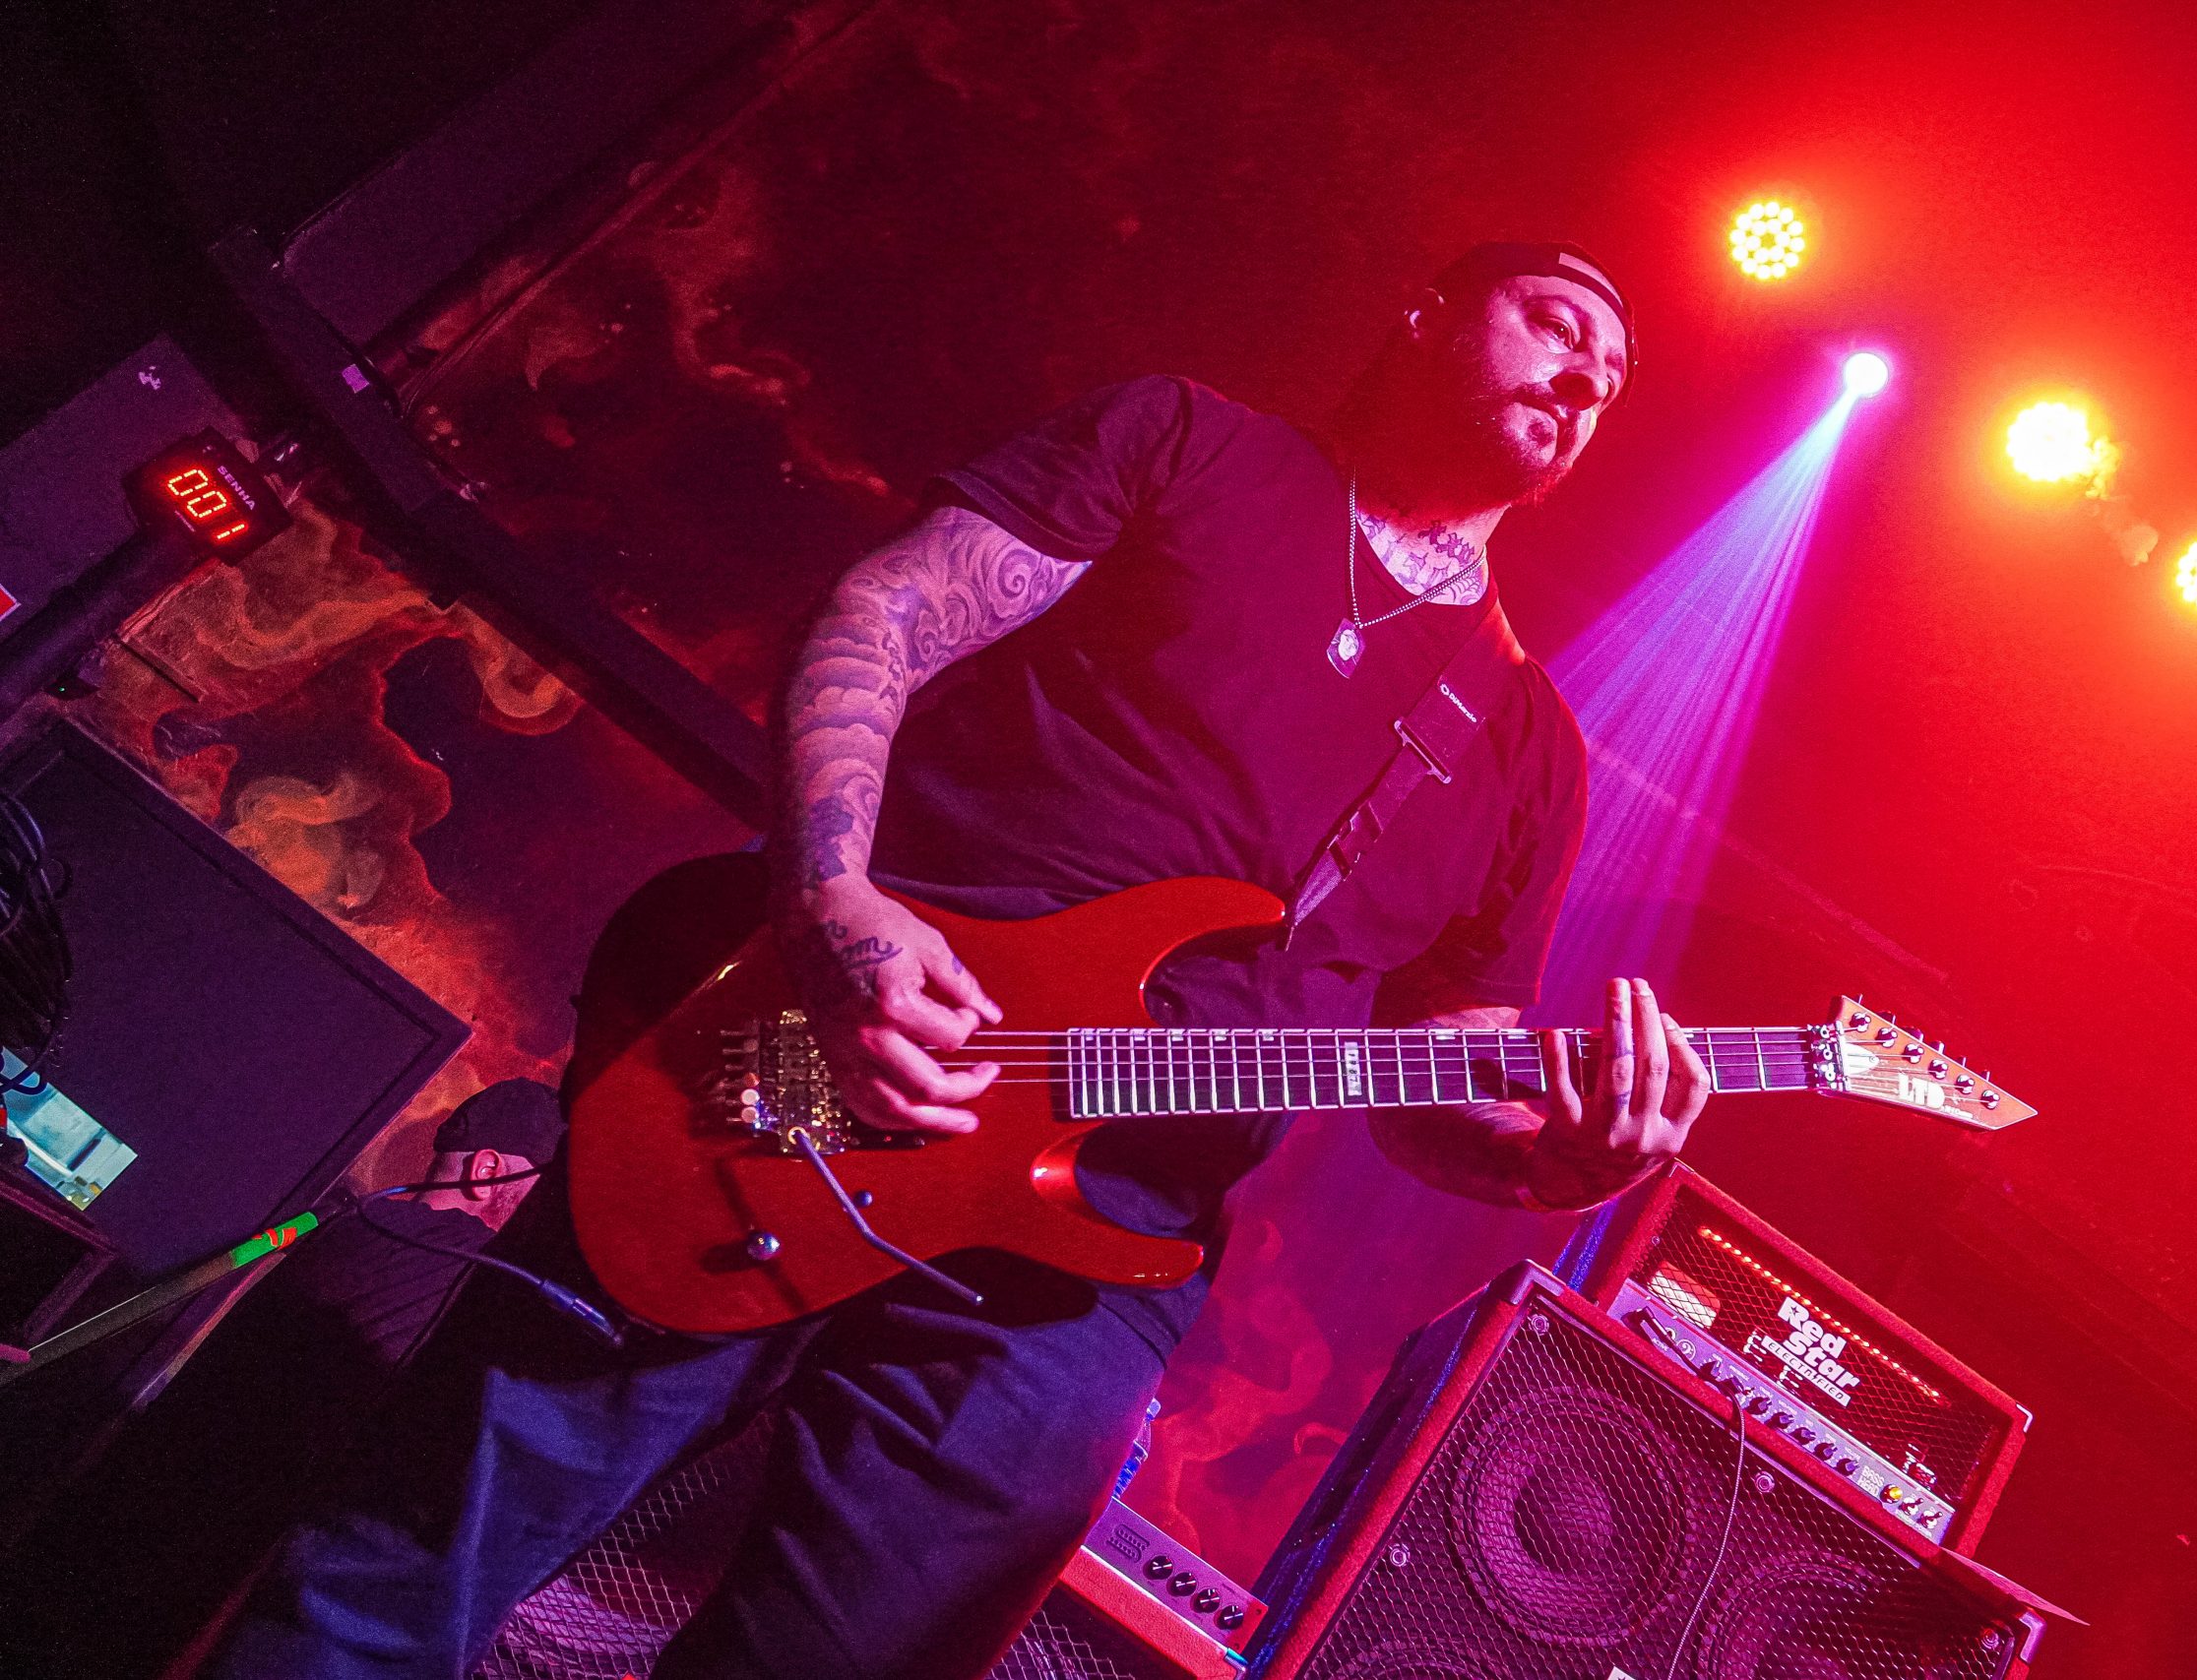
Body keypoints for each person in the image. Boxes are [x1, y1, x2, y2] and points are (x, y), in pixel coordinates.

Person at [207, 241, 1712, 1680]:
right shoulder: (1187, 443)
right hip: (829, 1054)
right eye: (1557, 323)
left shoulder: (1524, 746)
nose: (1587, 375)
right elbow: (890, 610)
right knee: (429, 1534)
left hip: (1097, 1242)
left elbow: (1444, 1067)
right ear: (1429, 315)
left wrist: (1559, 1159)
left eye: (1618, 374)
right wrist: (832, 900)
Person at [0, 1079, 564, 1680]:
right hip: (205, 1573)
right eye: (538, 1189)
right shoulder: (462, 1267)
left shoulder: (353, 1227)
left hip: (120, 1512)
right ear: (486, 1171)